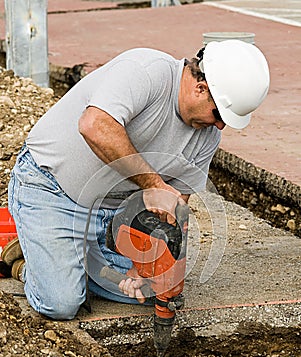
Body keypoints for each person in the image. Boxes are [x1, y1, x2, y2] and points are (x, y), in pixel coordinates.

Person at [2, 40, 270, 320]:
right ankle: (27, 263)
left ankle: (62, 254)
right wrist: (153, 185)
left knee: (155, 288)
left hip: (112, 214)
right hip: (52, 188)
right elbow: (94, 125)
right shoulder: (146, 71)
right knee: (61, 303)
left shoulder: (207, 137)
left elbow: (172, 214)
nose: (220, 126)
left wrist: (144, 267)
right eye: (219, 114)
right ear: (201, 88)